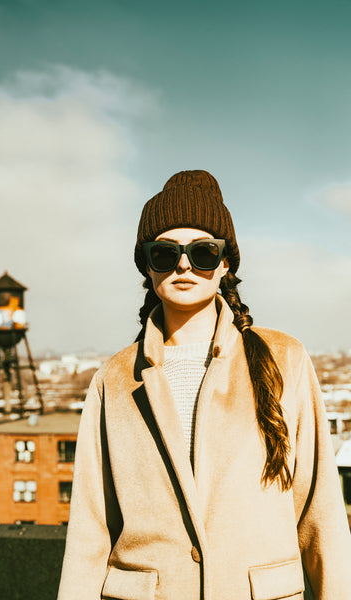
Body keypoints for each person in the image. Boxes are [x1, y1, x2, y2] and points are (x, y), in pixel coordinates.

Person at [58, 170, 351, 600]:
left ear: (226, 263)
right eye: (164, 253)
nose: (183, 265)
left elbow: (320, 513)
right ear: (147, 265)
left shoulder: (284, 359)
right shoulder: (114, 380)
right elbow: (91, 527)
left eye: (203, 252)